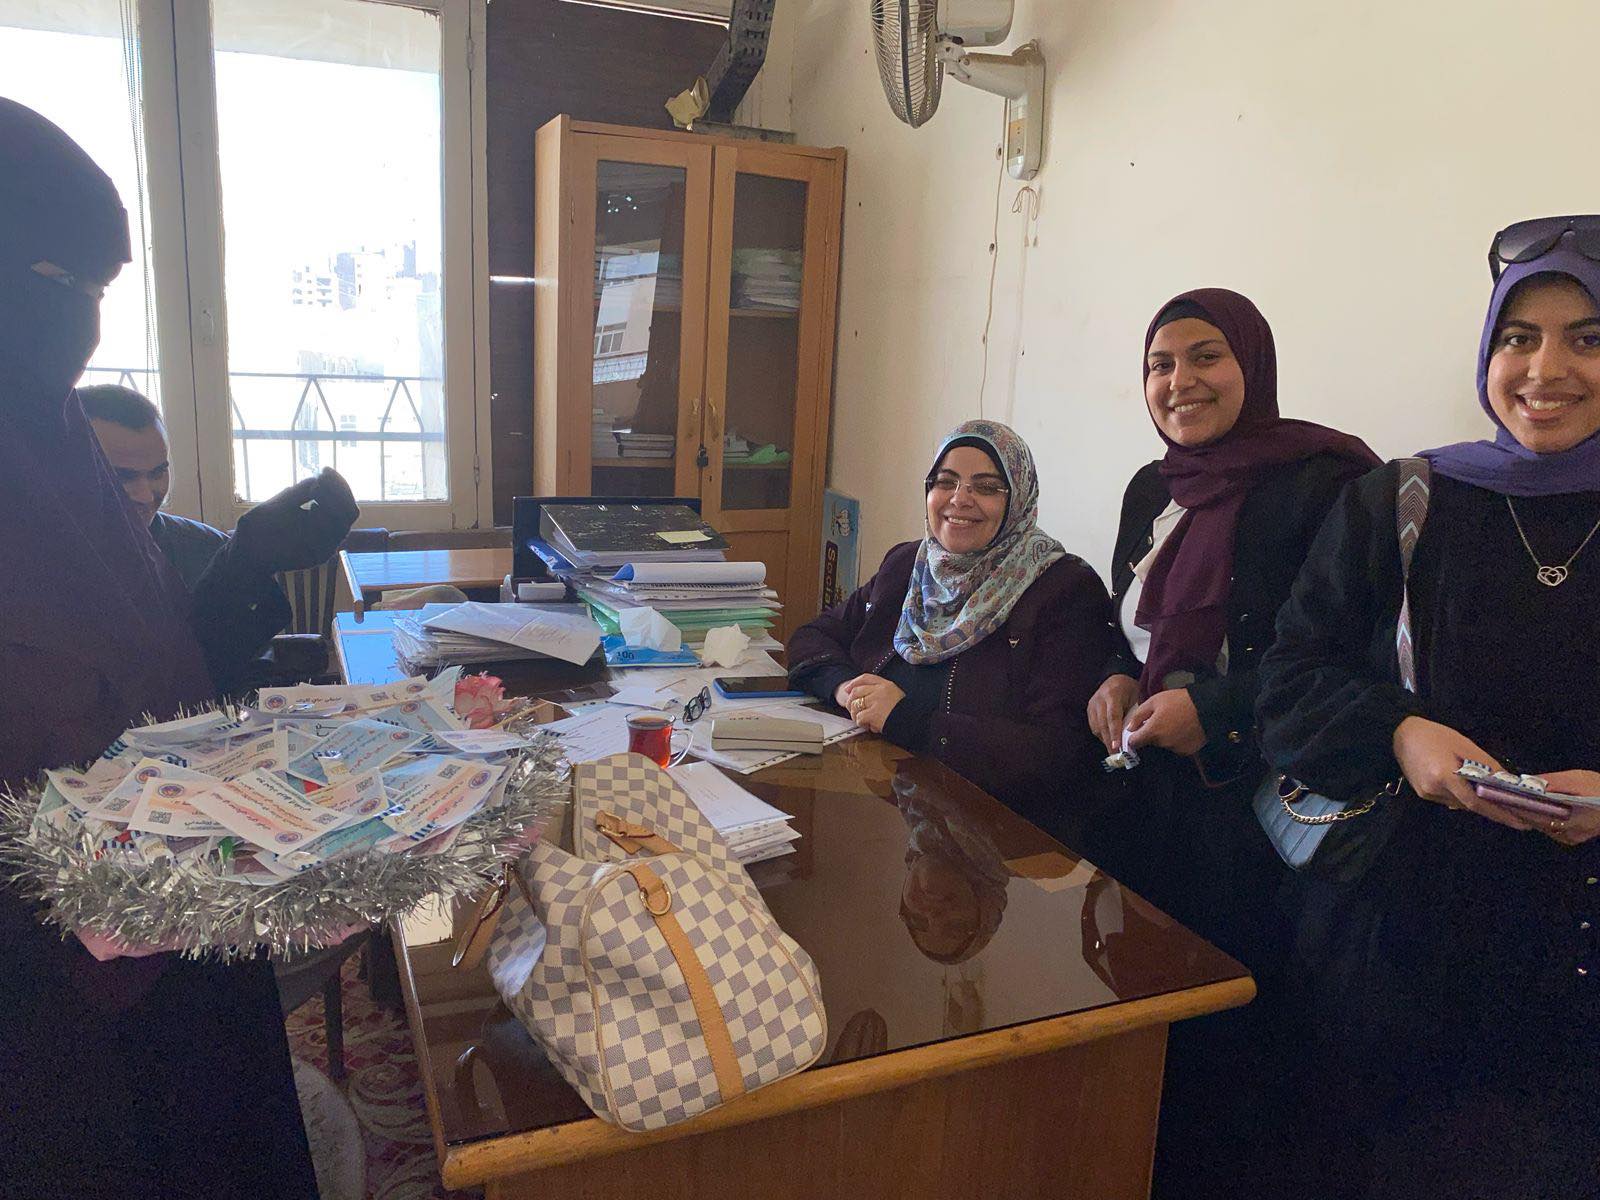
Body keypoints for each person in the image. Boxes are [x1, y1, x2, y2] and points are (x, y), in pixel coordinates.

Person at [0, 98, 357, 1199]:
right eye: (61, 284)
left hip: (180, 928)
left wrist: (245, 567)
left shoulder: (55, 436)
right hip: (51, 989)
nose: (84, 322)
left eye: (103, 289)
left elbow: (155, 671)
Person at [1255, 218, 1600, 1198]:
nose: (1545, 370)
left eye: (1586, 338)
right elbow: (1290, 681)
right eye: (1518, 337)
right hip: (1403, 944)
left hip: (1576, 963)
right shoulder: (1402, 500)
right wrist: (1399, 731)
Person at [1079, 288, 1379, 1200]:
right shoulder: (1153, 487)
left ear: (1253, 364)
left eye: (1206, 356)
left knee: (1238, 1019)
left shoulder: (1327, 485)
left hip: (1264, 808)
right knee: (1151, 1001)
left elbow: (1349, 655)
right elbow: (1136, 628)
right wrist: (1117, 677)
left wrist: (1217, 709)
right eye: (1160, 364)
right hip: (1154, 797)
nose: (1181, 381)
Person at [788, 419, 1115, 839]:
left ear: (1019, 498)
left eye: (987, 487)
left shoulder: (1064, 590)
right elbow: (812, 637)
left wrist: (907, 720)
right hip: (897, 809)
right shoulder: (908, 566)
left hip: (1005, 836)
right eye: (945, 482)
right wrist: (847, 690)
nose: (960, 499)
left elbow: (1056, 753)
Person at [79, 382, 231, 590]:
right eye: (123, 476)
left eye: (158, 473)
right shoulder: (39, 558)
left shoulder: (210, 553)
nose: (146, 496)